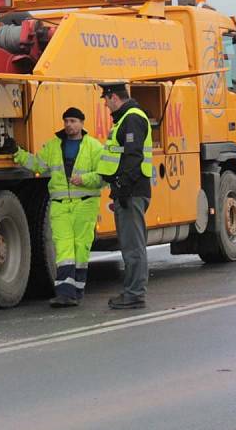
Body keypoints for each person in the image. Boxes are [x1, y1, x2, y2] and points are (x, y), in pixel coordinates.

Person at [5, 107, 104, 307]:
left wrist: (83, 179)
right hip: (59, 206)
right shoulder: (53, 146)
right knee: (63, 248)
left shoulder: (94, 147)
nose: (69, 124)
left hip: (85, 205)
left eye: (73, 121)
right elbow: (37, 165)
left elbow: (103, 178)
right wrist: (17, 153)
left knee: (80, 248)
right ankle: (65, 293)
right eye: (66, 120)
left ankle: (76, 291)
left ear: (82, 123)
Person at [96, 82, 153, 309]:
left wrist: (122, 186)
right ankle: (133, 292)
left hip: (132, 192)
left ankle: (134, 294)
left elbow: (133, 157)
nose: (105, 104)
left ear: (114, 98)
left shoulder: (132, 118)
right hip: (129, 191)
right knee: (130, 244)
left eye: (106, 100)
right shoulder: (126, 118)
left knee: (133, 246)